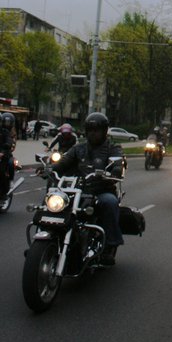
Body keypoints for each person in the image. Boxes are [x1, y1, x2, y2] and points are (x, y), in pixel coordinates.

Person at [51, 112, 124, 266]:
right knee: (53, 202)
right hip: (78, 190)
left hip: (101, 190)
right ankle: (49, 240)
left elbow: (118, 165)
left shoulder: (113, 148)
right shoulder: (79, 148)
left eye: (96, 130)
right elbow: (64, 163)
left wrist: (114, 171)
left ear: (104, 131)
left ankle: (110, 246)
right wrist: (50, 169)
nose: (93, 133)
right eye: (90, 129)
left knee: (110, 202)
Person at [0, 112, 16, 200]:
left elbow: (9, 141)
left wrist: (3, 152)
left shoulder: (5, 132)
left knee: (1, 171)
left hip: (4, 155)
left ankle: (4, 192)